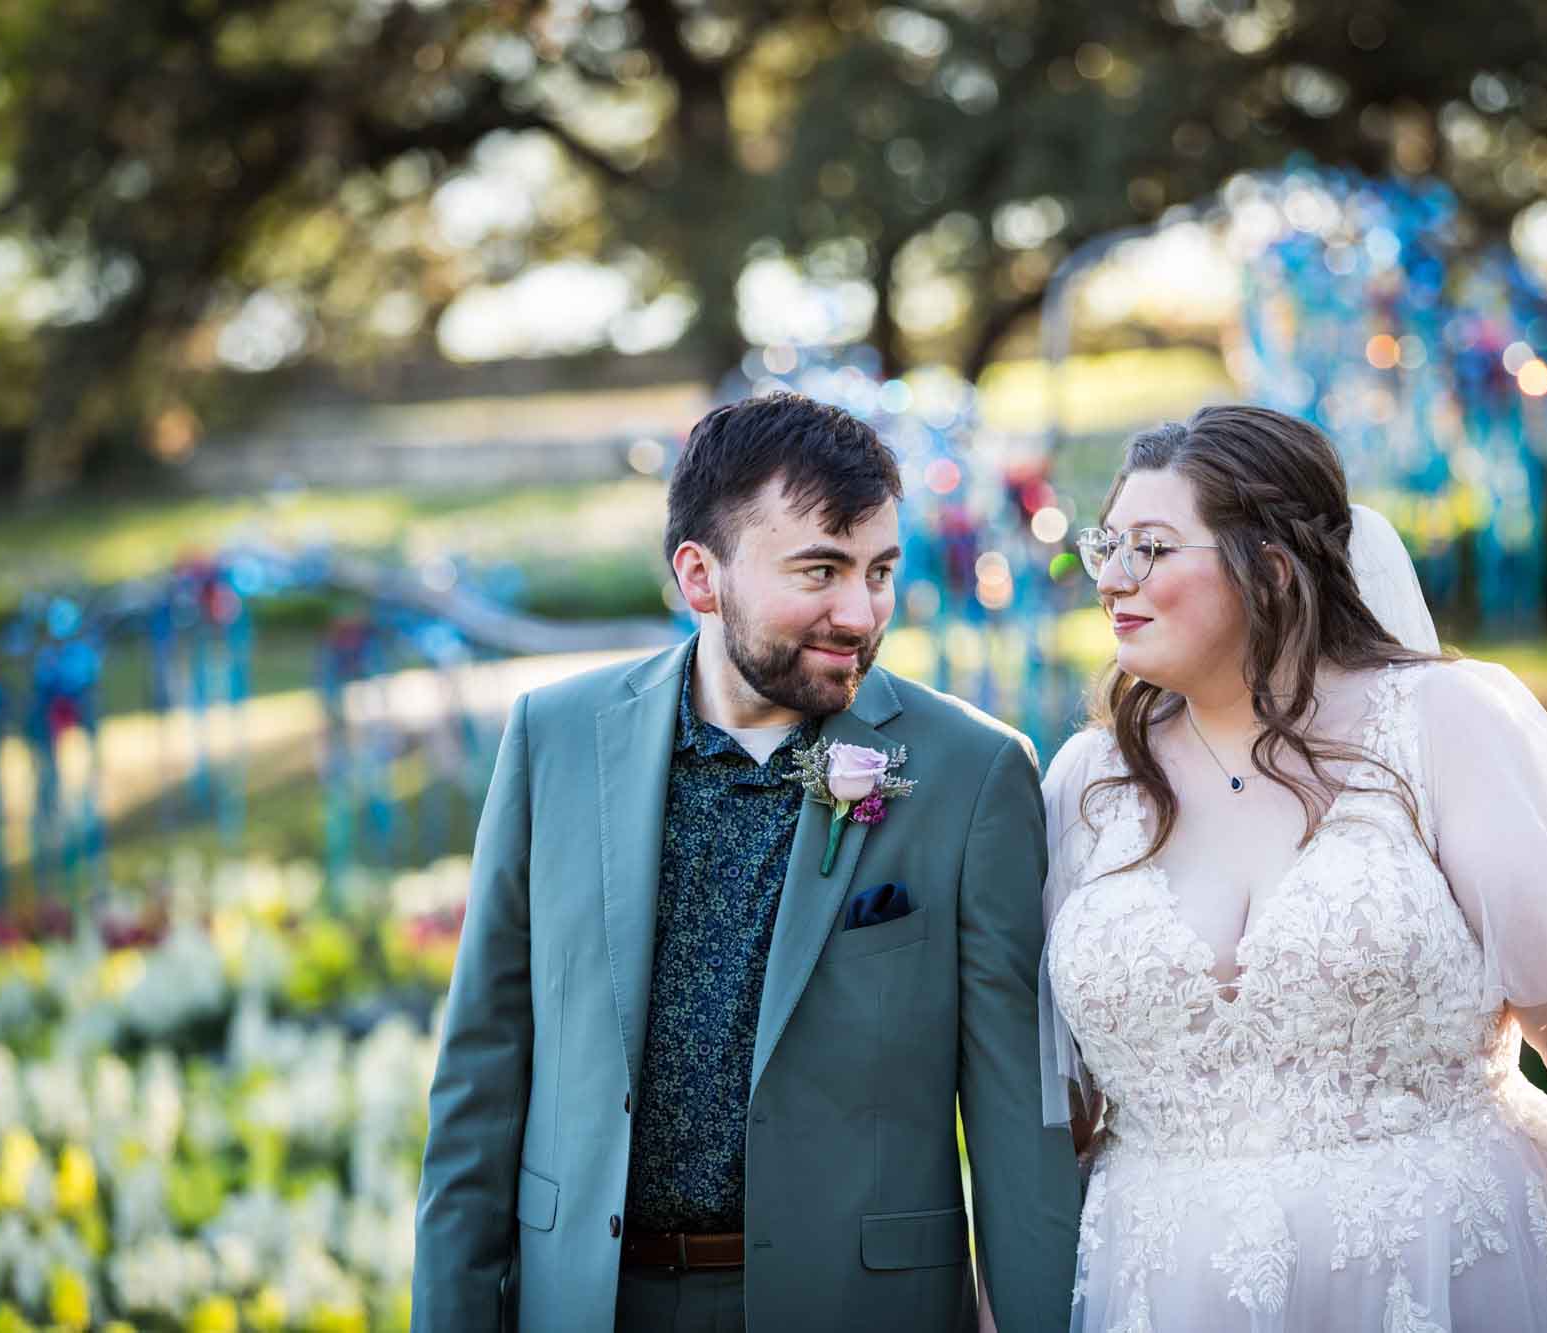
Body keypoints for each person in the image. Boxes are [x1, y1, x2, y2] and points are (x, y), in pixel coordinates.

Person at [1039, 406, 1547, 1332]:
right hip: (1165, 1284)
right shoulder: (1088, 782)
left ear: (1269, 568)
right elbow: (1053, 1103)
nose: (1112, 578)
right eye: (1106, 545)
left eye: (1151, 548)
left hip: (1444, 1265)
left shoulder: (1445, 723)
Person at [413, 392, 1080, 1332]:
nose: (860, 611)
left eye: (881, 570)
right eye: (821, 569)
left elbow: (1019, 1124)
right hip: (591, 1300)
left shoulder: (972, 773)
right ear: (700, 576)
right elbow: (480, 1081)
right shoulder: (554, 740)